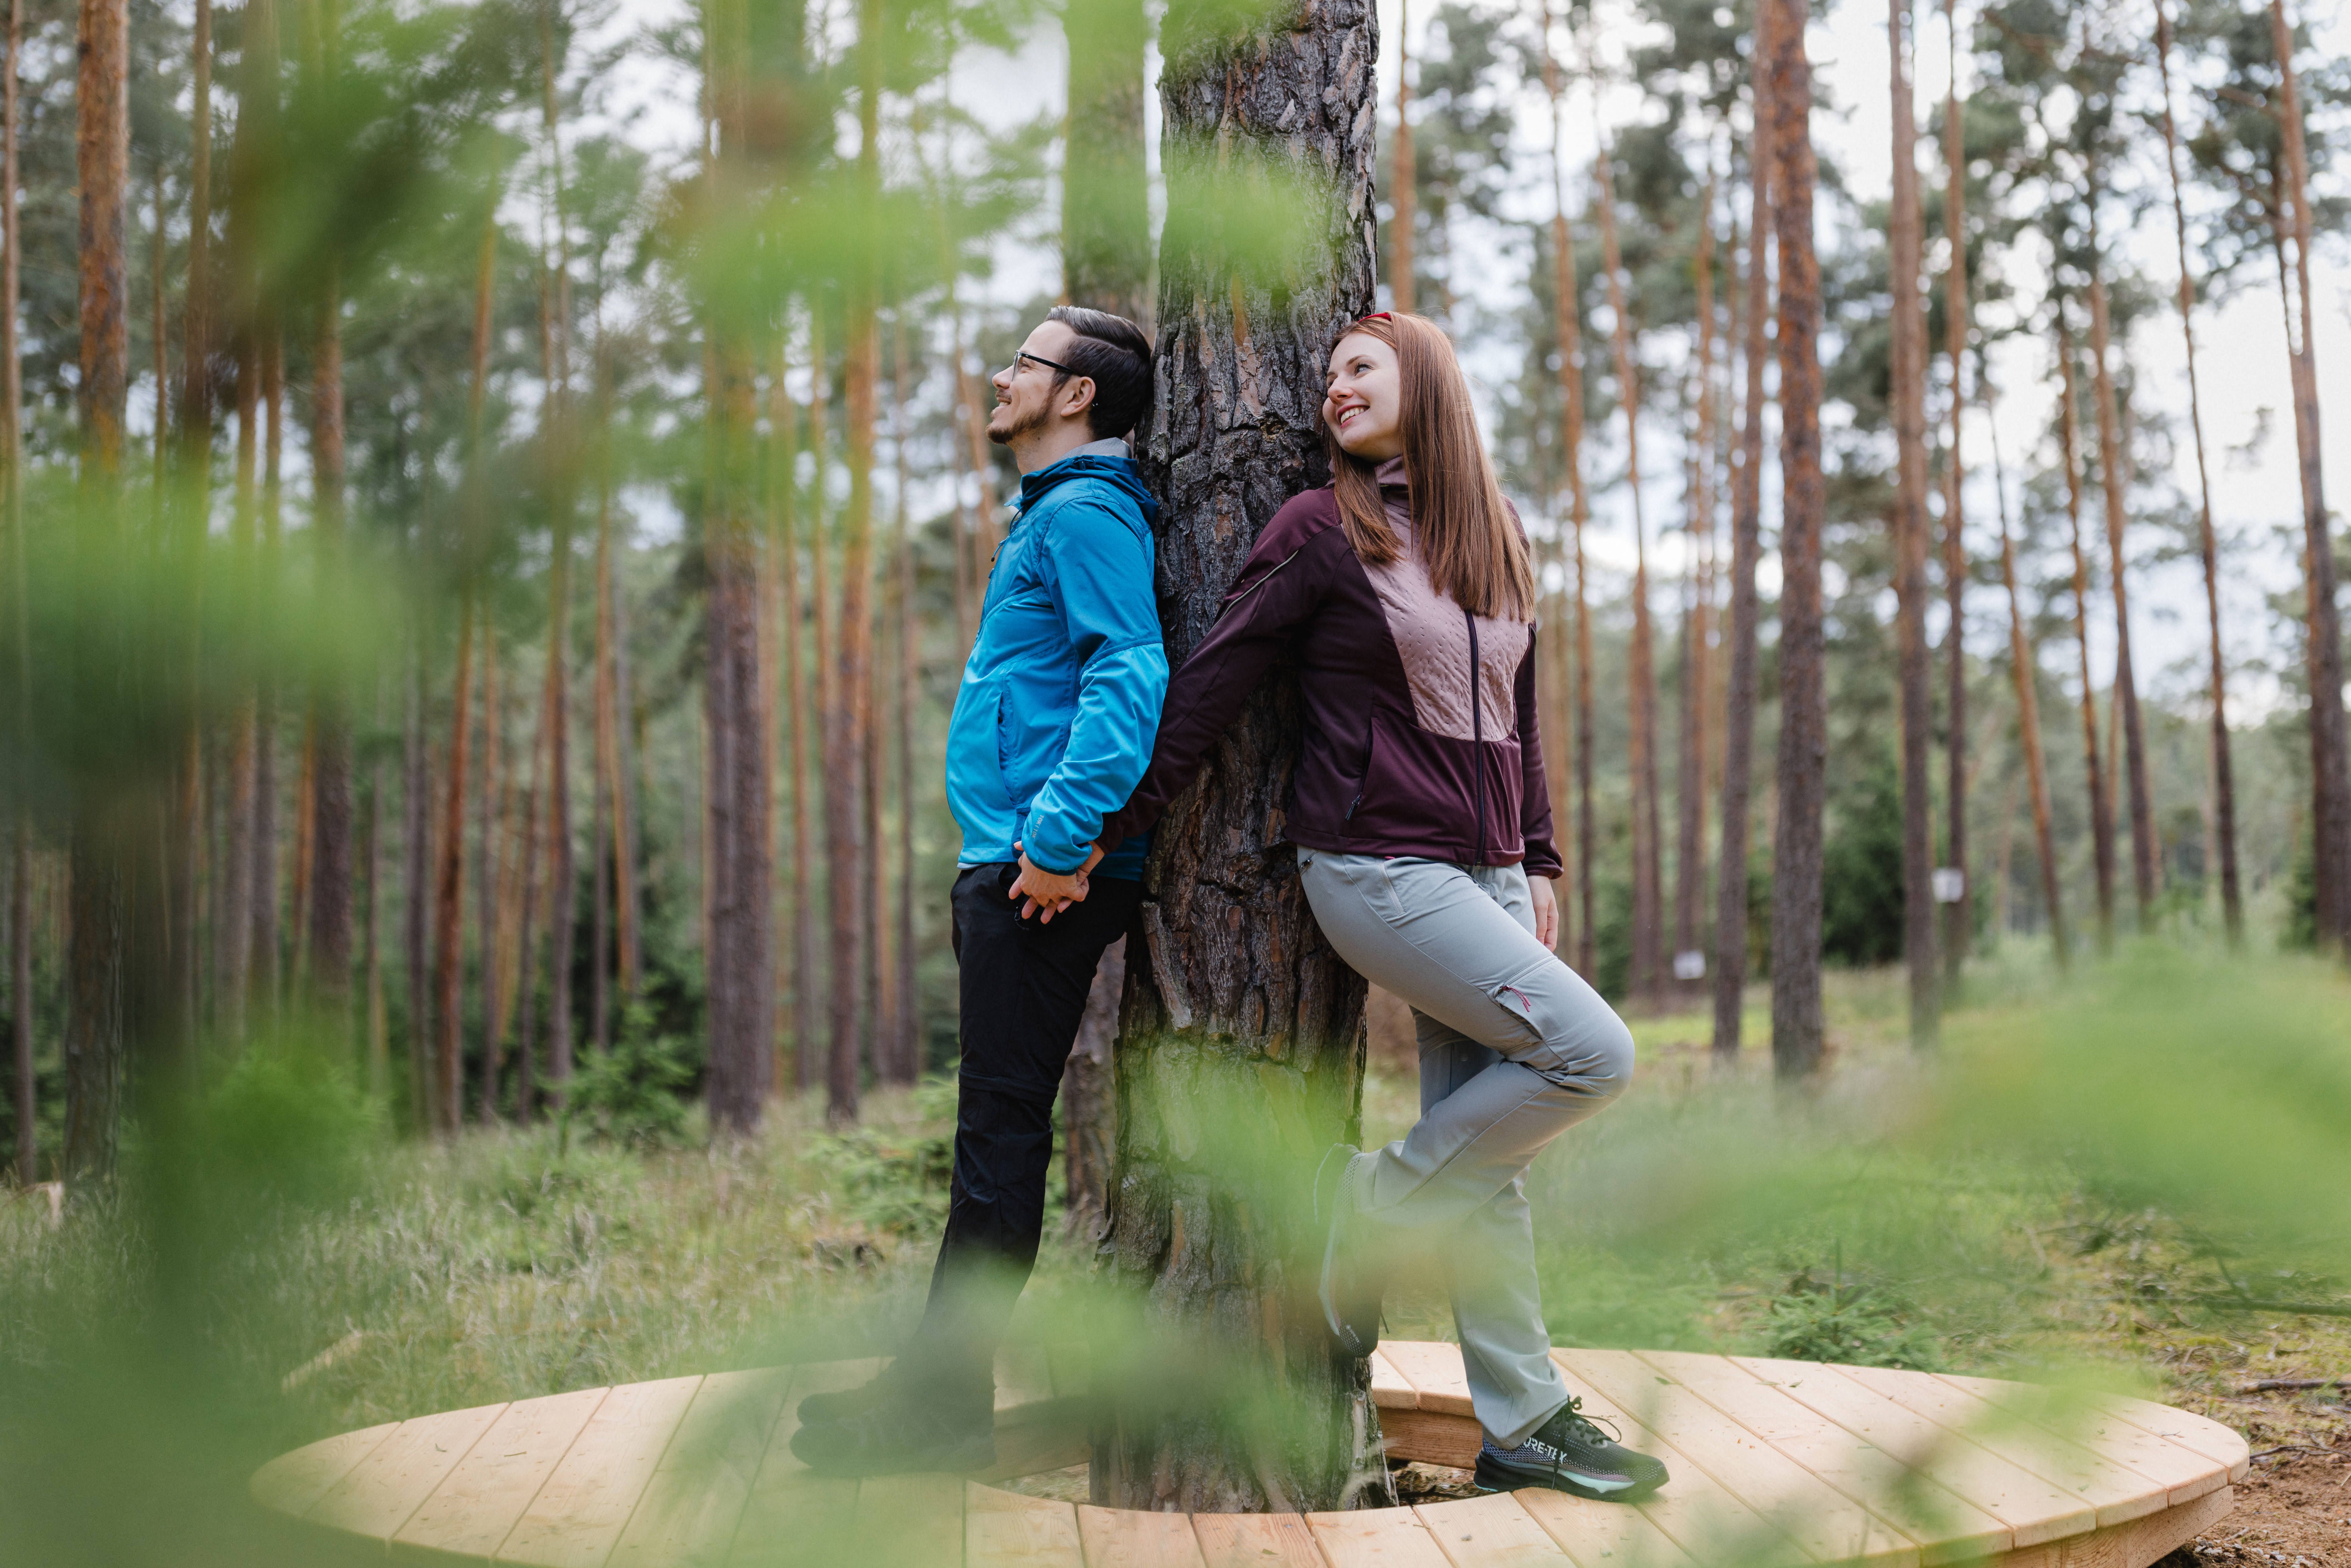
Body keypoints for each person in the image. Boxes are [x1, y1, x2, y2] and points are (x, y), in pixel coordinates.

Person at [1085, 312, 1668, 1503]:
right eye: (1327, 376)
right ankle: (1363, 1208)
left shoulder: (1497, 538)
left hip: (1492, 878)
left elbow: (1521, 711)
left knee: (1490, 1162)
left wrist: (1539, 859)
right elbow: (1216, 679)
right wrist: (1114, 822)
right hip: (1378, 873)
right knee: (1591, 1054)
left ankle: (1526, 1420)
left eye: (1360, 367)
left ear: (1428, 382)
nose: (1333, 388)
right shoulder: (1320, 529)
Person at [790, 306, 1164, 1476]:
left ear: (1079, 396)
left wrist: (1056, 839)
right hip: (1017, 857)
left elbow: (1131, 667)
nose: (1000, 380)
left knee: (999, 1145)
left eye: (1025, 365)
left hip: (1035, 868)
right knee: (991, 1139)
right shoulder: (1055, 512)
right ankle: (934, 1390)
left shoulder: (1089, 513)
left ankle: (940, 1407)